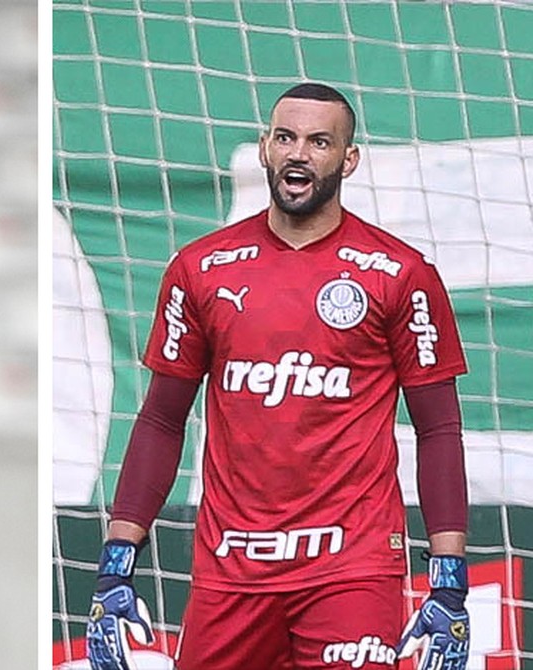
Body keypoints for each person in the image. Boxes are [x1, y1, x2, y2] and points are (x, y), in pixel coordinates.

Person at [85, 83, 470, 670]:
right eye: (286, 137)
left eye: (319, 142)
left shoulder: (400, 273)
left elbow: (440, 428)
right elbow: (162, 419)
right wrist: (117, 562)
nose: (299, 153)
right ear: (265, 148)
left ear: (349, 159)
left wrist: (449, 580)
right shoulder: (200, 269)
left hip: (353, 568)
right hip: (230, 570)